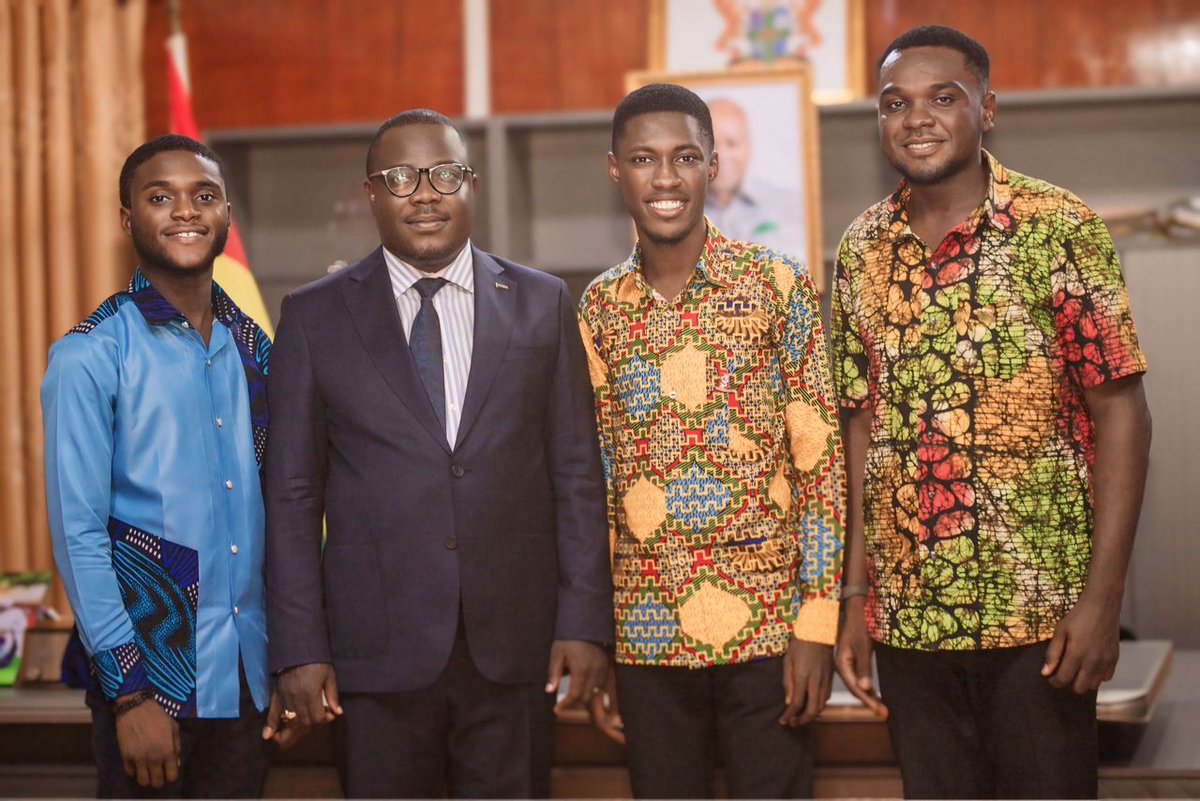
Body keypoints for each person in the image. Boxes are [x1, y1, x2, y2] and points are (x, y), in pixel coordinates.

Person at [831, 25, 1152, 800]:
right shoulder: (859, 251)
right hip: (909, 623)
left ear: (988, 108)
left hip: (1040, 618)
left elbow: (1124, 414)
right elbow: (858, 431)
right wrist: (852, 599)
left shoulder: (1059, 228)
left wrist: (1103, 600)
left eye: (944, 97)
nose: (918, 118)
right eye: (896, 103)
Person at [263, 108, 613, 799]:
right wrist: (300, 646)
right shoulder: (314, 316)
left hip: (514, 652)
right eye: (401, 177)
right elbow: (293, 493)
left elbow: (576, 474)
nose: (425, 193)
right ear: (371, 193)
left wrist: (582, 621)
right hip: (374, 655)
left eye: (445, 174)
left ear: (472, 186)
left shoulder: (542, 303)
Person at [578, 83, 846, 798]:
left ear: (714, 166)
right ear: (615, 170)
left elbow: (820, 463)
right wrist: (600, 638)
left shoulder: (777, 285)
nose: (665, 178)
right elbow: (596, 483)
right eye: (643, 158)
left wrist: (816, 622)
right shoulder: (599, 308)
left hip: (770, 635)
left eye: (685, 157)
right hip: (646, 637)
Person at [42, 134, 288, 798]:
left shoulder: (258, 350)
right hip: (151, 683)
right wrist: (128, 695)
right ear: (128, 220)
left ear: (227, 215)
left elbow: (283, 510)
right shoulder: (90, 356)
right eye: (161, 196)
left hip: (245, 680)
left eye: (203, 195)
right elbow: (80, 537)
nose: (185, 211)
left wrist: (287, 663)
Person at [705, 97, 805, 258]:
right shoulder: (680, 210)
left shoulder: (791, 206)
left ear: (748, 147)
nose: (721, 156)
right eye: (712, 145)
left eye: (732, 144)